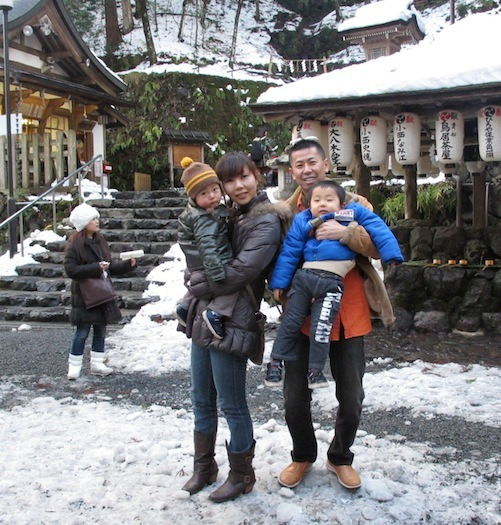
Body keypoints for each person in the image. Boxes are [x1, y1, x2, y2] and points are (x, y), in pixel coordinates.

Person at [275, 138, 397, 492]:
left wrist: (347, 234)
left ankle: (340, 456)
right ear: (292, 170)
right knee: (294, 395)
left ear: (325, 163)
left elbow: (377, 247)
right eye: (299, 165)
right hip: (302, 315)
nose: (306, 169)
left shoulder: (355, 204)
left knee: (352, 395)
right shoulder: (287, 212)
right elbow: (280, 256)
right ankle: (302, 455)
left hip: (349, 310)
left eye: (312, 162)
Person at [179, 152, 290, 503]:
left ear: (257, 176)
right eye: (229, 181)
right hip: (205, 314)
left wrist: (199, 283)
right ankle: (204, 466)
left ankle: (242, 474)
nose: (237, 186)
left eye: (244, 177)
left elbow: (242, 271)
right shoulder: (225, 215)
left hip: (235, 318)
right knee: (201, 398)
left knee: (232, 403)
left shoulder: (266, 221)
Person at [268, 179, 403, 389]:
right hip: (304, 280)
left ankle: (316, 370)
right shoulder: (303, 220)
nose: (322, 204)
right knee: (290, 322)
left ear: (341, 204)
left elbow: (378, 227)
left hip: (332, 284)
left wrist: (391, 254)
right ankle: (275, 363)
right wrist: (280, 283)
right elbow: (290, 251)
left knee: (321, 327)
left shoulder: (351, 213)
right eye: (317, 200)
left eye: (329, 200)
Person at [64, 203, 136, 380]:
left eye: (96, 218)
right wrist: (95, 268)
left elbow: (108, 268)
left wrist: (128, 265)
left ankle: (97, 363)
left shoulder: (100, 241)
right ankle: (74, 366)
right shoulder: (75, 244)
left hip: (101, 293)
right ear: (83, 223)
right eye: (93, 219)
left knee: (100, 330)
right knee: (82, 332)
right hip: (84, 295)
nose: (97, 221)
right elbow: (71, 270)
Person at [174, 156, 238, 340]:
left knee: (198, 285)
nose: (211, 196)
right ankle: (216, 312)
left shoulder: (196, 212)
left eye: (215, 189)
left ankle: (184, 306)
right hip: (212, 262)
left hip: (197, 263)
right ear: (194, 197)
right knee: (233, 287)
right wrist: (217, 273)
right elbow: (208, 246)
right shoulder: (204, 218)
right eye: (203, 194)